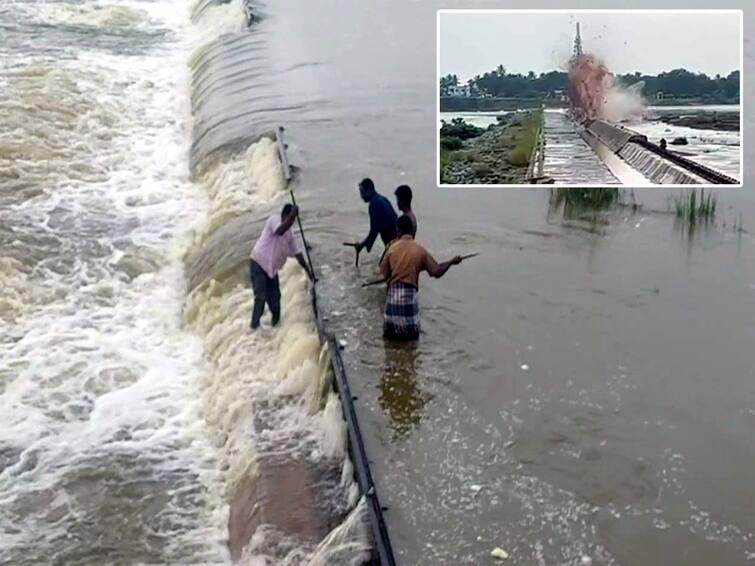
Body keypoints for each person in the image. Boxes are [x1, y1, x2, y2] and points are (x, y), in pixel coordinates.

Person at [379, 215, 462, 341]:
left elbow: (383, 273)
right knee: (412, 344)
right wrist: (451, 262)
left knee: (390, 344)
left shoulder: (391, 249)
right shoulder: (420, 251)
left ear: (398, 231)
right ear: (412, 231)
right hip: (409, 307)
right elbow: (436, 271)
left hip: (392, 306)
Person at [249, 203, 314, 330]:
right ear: (284, 215)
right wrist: (292, 215)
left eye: (294, 219)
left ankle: (274, 328)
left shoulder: (290, 235)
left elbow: (298, 254)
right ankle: (253, 328)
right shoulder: (274, 220)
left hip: (271, 270)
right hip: (258, 263)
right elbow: (279, 231)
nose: (292, 222)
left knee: (276, 303)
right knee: (260, 298)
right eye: (290, 218)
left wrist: (309, 272)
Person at [354, 178, 398, 255]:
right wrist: (367, 243)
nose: (361, 196)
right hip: (398, 240)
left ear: (369, 191)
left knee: (383, 266)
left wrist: (363, 245)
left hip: (392, 243)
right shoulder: (382, 199)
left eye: (362, 192)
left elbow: (374, 230)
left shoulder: (374, 204)